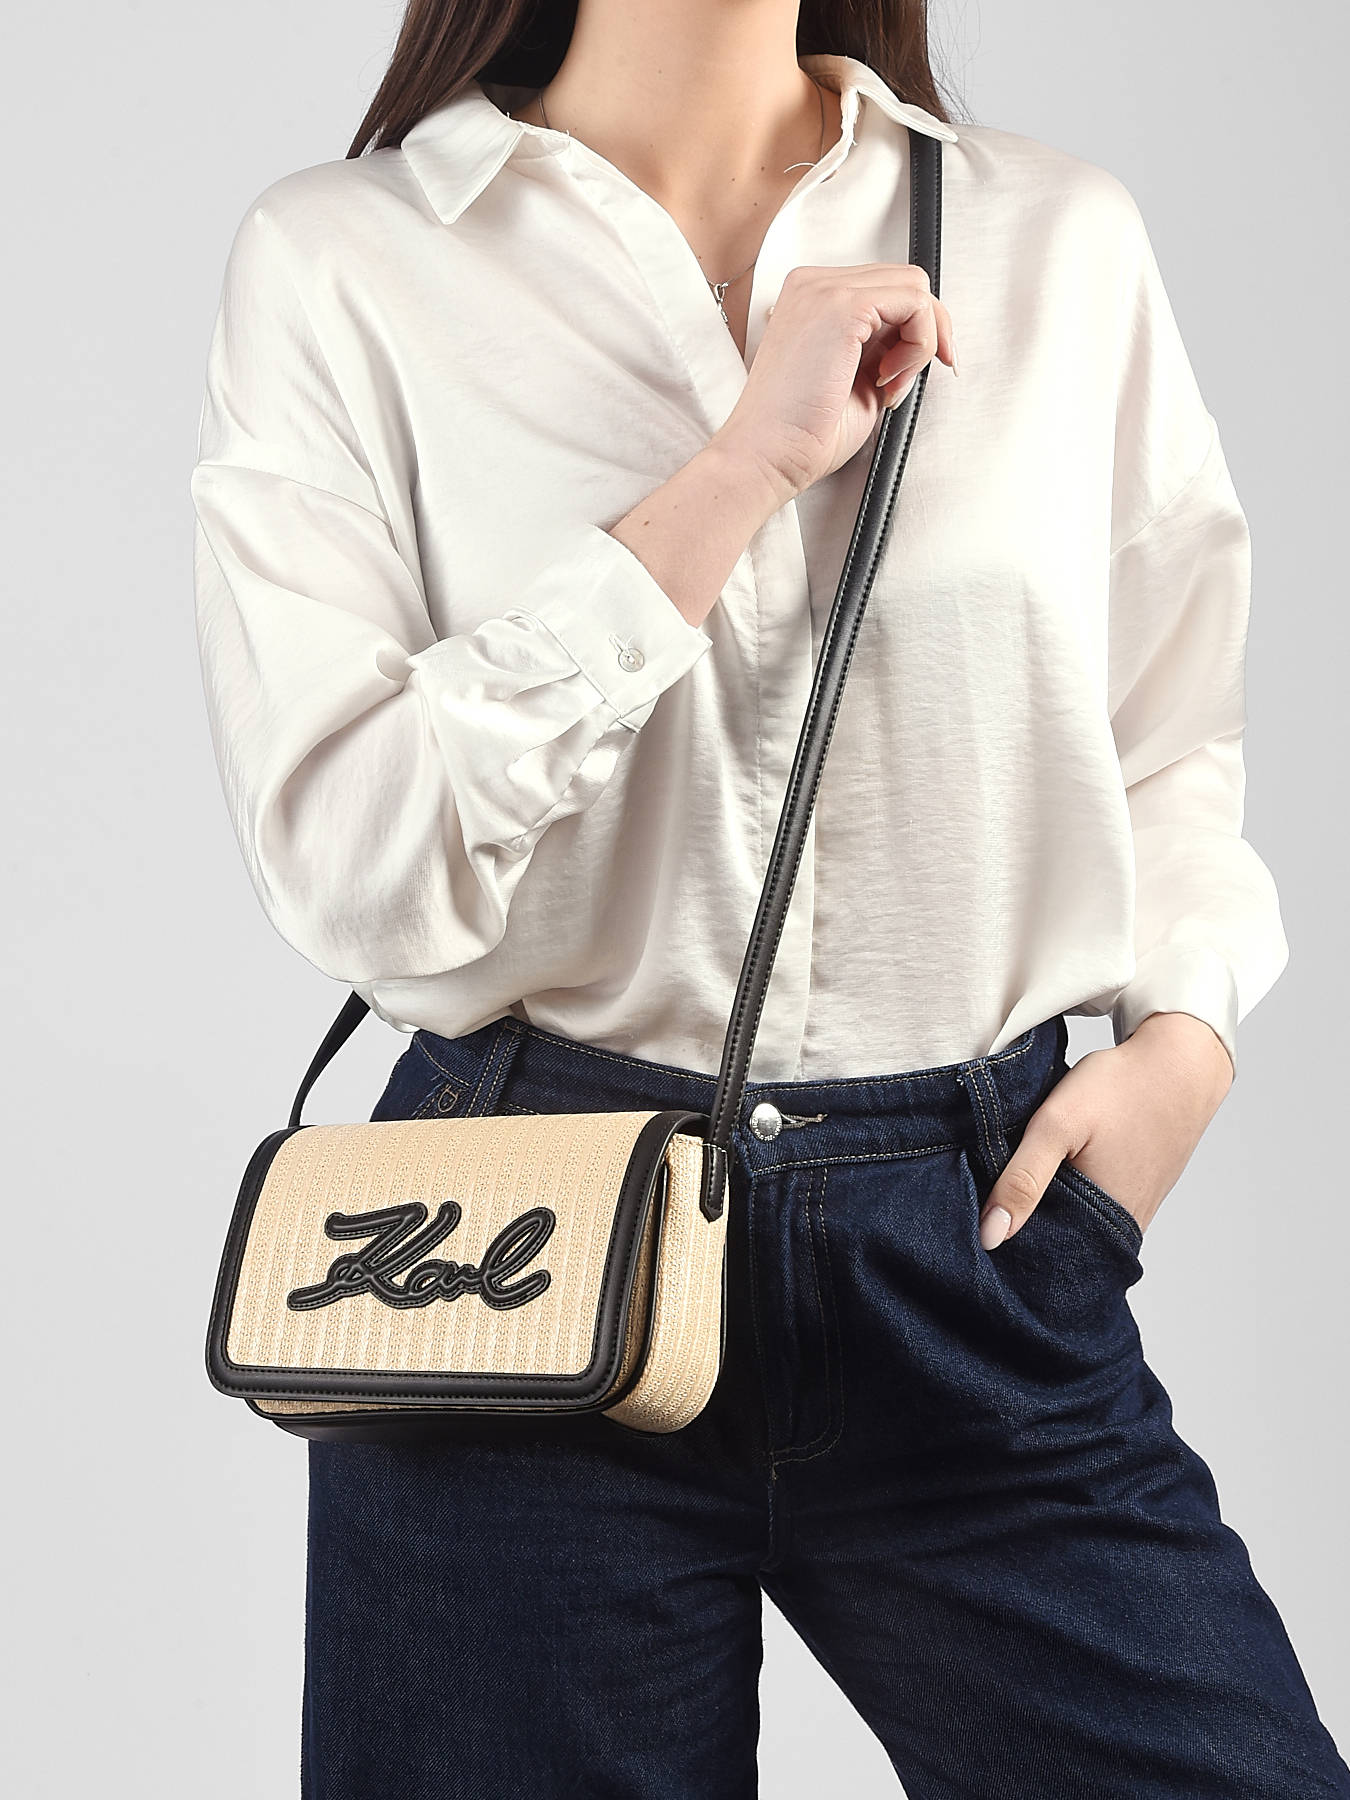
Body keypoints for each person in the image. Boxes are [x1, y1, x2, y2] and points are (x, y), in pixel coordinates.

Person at [189, 1, 1350, 1794]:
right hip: (526, 1246)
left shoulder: (1050, 234)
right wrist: (735, 474)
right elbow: (353, 861)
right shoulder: (349, 260)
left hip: (969, 1245)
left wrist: (1182, 1037)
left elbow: (1167, 721)